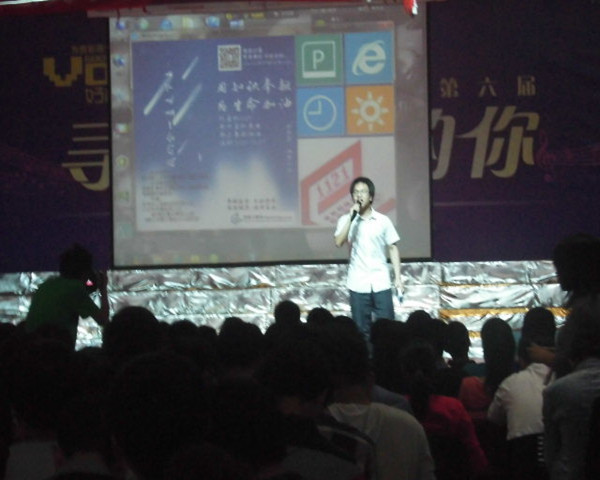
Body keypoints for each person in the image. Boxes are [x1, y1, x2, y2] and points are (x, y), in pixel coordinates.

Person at [334, 177, 402, 339]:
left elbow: (393, 248)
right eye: (356, 192)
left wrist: (398, 278)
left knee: (387, 329)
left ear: (371, 197)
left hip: (381, 281)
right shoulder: (345, 220)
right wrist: (351, 219)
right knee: (360, 331)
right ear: (352, 197)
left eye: (363, 191)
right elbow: (338, 242)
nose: (359, 195)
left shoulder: (383, 221)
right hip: (358, 283)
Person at [25, 244, 109, 349]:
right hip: (57, 352)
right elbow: (103, 320)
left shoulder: (47, 285)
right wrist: (103, 289)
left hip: (31, 351)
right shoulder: (75, 288)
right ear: (86, 272)